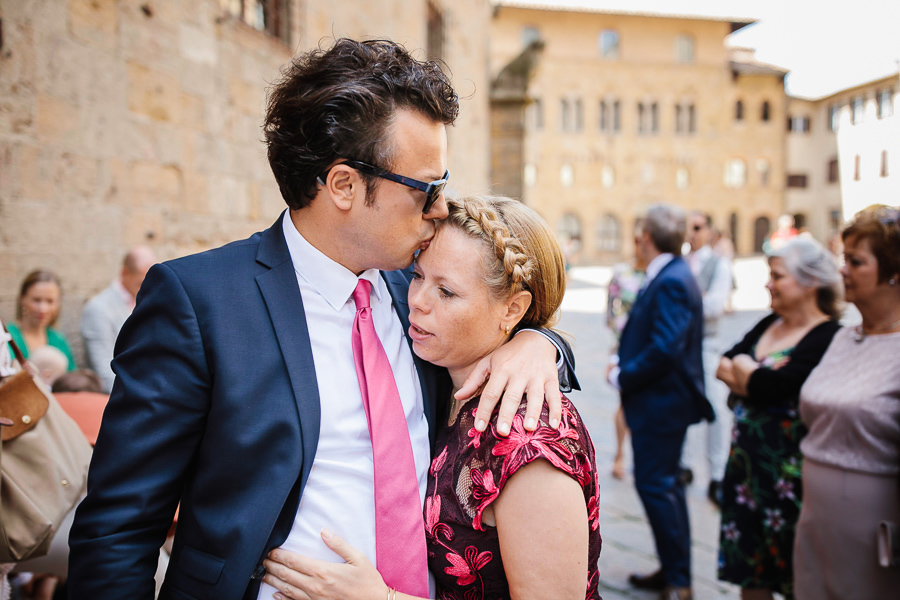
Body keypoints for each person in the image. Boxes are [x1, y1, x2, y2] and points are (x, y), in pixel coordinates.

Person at [67, 38, 574, 600]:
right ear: (344, 186)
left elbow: (500, 317)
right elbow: (118, 527)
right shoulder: (199, 301)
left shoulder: (420, 294)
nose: (440, 209)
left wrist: (537, 341)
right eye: (427, 189)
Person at [261, 195, 601, 599]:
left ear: (512, 309)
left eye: (447, 292)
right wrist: (539, 339)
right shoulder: (444, 376)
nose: (417, 301)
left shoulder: (529, 438)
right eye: (419, 276)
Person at [715, 237, 841, 600]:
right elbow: (725, 362)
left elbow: (780, 386)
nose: (768, 284)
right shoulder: (771, 322)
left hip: (791, 481)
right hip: (745, 474)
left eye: (777, 276)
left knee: (797, 577)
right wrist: (750, 377)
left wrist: (747, 376)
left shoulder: (827, 336)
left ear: (810, 282)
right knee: (750, 576)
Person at [794, 205, 900, 599]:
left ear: (894, 270)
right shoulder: (843, 336)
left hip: (872, 527)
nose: (842, 271)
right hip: (815, 517)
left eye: (856, 262)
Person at [607, 204, 713, 600]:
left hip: (662, 403)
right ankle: (673, 569)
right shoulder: (672, 273)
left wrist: (624, 374)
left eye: (638, 236)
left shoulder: (670, 278)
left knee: (657, 487)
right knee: (664, 488)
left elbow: (665, 347)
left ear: (647, 238)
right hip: (662, 401)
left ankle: (679, 580)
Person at [682, 211, 733, 506]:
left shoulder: (718, 264)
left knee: (715, 408)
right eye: (689, 228)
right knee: (684, 404)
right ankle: (685, 464)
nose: (692, 234)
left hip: (707, 344)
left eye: (698, 228)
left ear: (709, 230)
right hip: (682, 346)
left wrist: (686, 301)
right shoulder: (680, 263)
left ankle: (717, 472)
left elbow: (715, 305)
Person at [80, 246, 157, 392]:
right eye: (141, 283)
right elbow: (104, 371)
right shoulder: (98, 309)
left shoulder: (151, 301)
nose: (147, 289)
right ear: (124, 273)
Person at [606, 221, 647, 480]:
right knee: (625, 401)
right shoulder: (622, 273)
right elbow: (612, 312)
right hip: (626, 345)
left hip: (651, 347)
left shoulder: (657, 275)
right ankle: (620, 453)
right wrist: (628, 337)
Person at [6, 270, 75, 372]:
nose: (43, 309)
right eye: (36, 300)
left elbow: (71, 378)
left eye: (50, 301)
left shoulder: (58, 340)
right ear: (22, 299)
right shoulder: (6, 337)